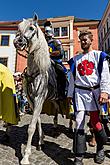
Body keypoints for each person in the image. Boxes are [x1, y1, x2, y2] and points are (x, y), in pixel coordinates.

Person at [67, 30, 110, 165]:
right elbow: (72, 79)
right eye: (81, 40)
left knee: (96, 122)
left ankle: (100, 148)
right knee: (79, 122)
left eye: (86, 39)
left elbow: (105, 75)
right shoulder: (75, 60)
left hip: (94, 93)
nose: (83, 42)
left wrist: (104, 92)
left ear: (91, 40)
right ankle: (78, 155)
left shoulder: (99, 56)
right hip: (80, 93)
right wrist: (69, 94)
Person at [44, 21, 67, 99]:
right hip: (45, 62)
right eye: (45, 32)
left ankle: (63, 91)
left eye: (47, 32)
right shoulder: (43, 43)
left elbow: (61, 52)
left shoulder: (56, 42)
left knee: (61, 72)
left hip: (55, 62)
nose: (46, 34)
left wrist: (49, 54)